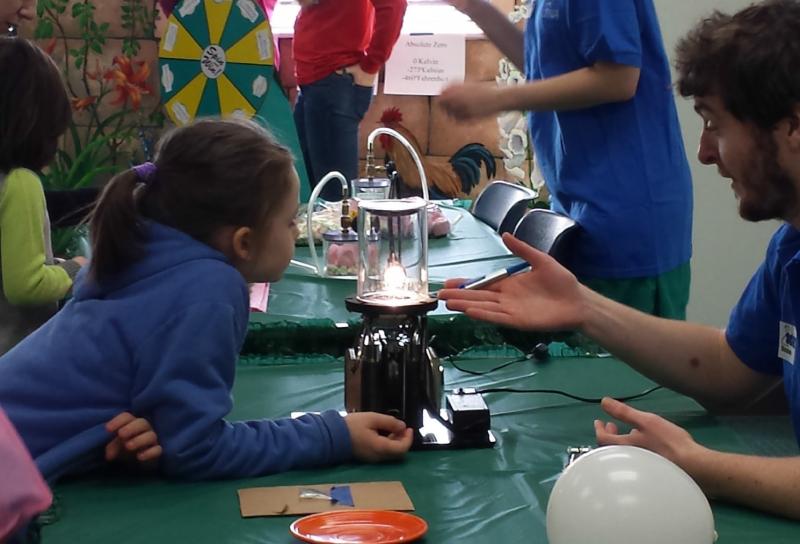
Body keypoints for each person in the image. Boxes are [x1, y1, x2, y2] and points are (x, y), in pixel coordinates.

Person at [439, 0, 800, 520]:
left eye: (715, 124)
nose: (702, 152)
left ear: (792, 127)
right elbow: (732, 369)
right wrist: (584, 306)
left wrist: (699, 465)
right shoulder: (791, 249)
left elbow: (617, 76)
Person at [0, 116, 413, 482]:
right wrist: (333, 435)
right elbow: (197, 450)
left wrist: (149, 433)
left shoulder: (144, 252)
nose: (296, 230)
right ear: (244, 242)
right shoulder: (208, 290)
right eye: (290, 221)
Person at [440, 0, 693, 319]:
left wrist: (496, 97)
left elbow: (619, 78)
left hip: (626, 213)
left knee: (620, 366)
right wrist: (474, 8)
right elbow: (541, 67)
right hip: (582, 207)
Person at [0, 37, 87, 356]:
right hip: (14, 363)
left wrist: (54, 263)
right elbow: (27, 285)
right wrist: (75, 269)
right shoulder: (20, 183)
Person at [292, 0, 407, 201]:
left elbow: (394, 5)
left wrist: (371, 65)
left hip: (332, 84)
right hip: (315, 84)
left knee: (334, 200)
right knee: (312, 195)